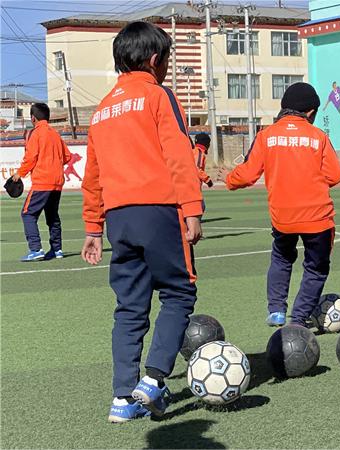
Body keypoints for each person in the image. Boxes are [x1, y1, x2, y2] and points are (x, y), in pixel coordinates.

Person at [80, 21, 203, 423]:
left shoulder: (101, 111)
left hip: (118, 218)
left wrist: (93, 228)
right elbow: (178, 155)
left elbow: (92, 175)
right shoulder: (158, 96)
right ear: (155, 61)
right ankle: (153, 381)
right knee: (180, 294)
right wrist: (192, 209)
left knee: (130, 307)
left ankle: (121, 399)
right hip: (159, 211)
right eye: (166, 60)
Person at [220, 82, 340, 327]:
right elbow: (335, 175)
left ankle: (276, 310)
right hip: (317, 217)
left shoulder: (266, 135)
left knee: (281, 259)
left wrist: (229, 179)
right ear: (310, 112)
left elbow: (247, 174)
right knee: (316, 269)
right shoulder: (318, 137)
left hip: (283, 218)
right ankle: (298, 318)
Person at [13, 103, 71, 261]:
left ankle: (36, 248)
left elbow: (31, 157)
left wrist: (19, 174)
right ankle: (57, 249)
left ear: (33, 118)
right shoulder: (55, 134)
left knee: (28, 213)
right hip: (57, 182)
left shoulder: (35, 133)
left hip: (42, 182)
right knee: (52, 216)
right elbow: (68, 157)